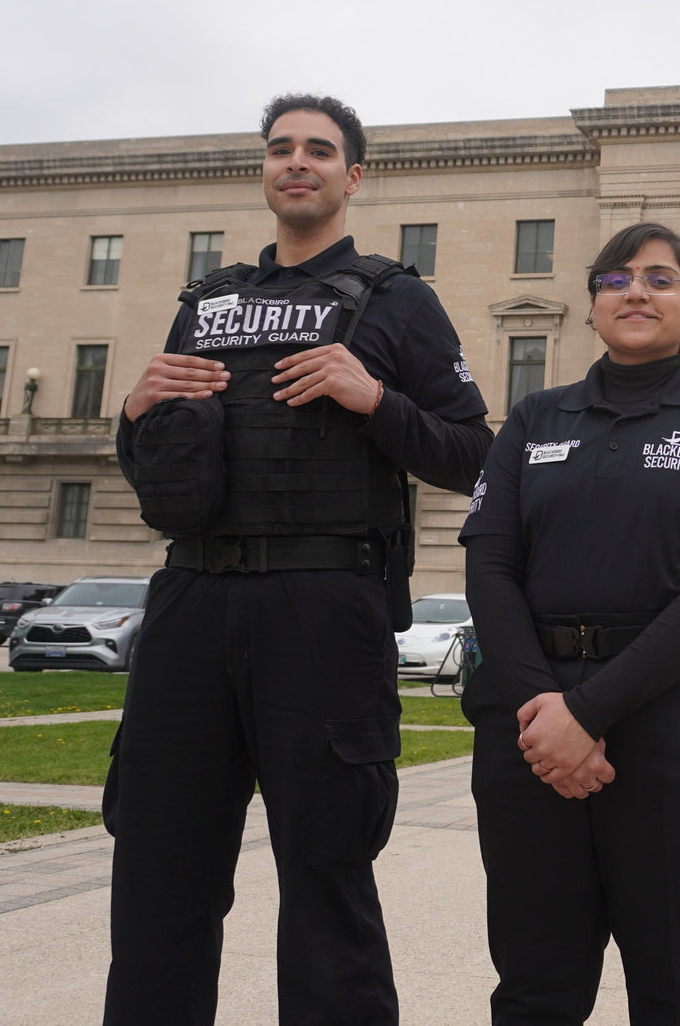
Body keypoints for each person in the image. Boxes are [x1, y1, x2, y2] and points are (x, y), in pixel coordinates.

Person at [104, 93, 492, 1026]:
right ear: (266, 171)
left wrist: (373, 401)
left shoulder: (398, 298)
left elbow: (476, 456)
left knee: (324, 875)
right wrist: (131, 414)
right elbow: (159, 464)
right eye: (281, 149)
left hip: (323, 606)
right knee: (158, 870)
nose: (297, 163)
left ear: (352, 175)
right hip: (193, 601)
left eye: (319, 150)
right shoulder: (205, 302)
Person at [459, 221, 680, 1026]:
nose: (636, 290)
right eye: (616, 279)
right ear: (593, 304)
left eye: (661, 278)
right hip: (530, 733)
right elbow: (490, 567)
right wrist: (545, 713)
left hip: (675, 727)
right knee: (534, 989)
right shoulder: (533, 421)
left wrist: (588, 714)